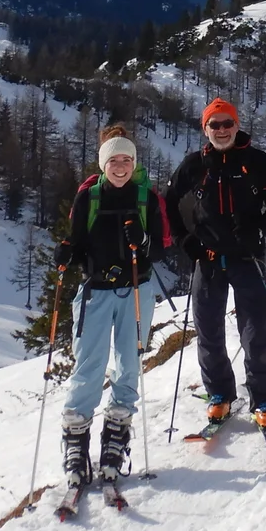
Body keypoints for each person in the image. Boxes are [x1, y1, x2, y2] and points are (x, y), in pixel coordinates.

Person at [166, 98, 266, 438]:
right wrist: (184, 240)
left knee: (257, 334)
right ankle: (220, 394)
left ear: (237, 125)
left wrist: (258, 230)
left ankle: (263, 400)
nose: (221, 130)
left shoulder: (257, 161)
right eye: (214, 125)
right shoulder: (196, 164)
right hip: (206, 259)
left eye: (227, 124)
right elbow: (169, 203)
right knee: (208, 333)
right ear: (205, 129)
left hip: (247, 258)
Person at [54, 125, 170, 488]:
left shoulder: (145, 198)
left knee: (129, 362)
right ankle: (76, 440)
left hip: (137, 289)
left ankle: (116, 436)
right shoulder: (87, 199)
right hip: (96, 291)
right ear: (103, 163)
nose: (120, 166)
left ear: (134, 163)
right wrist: (66, 253)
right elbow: (76, 242)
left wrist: (144, 240)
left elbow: (161, 250)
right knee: (89, 364)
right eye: (113, 160)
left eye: (126, 160)